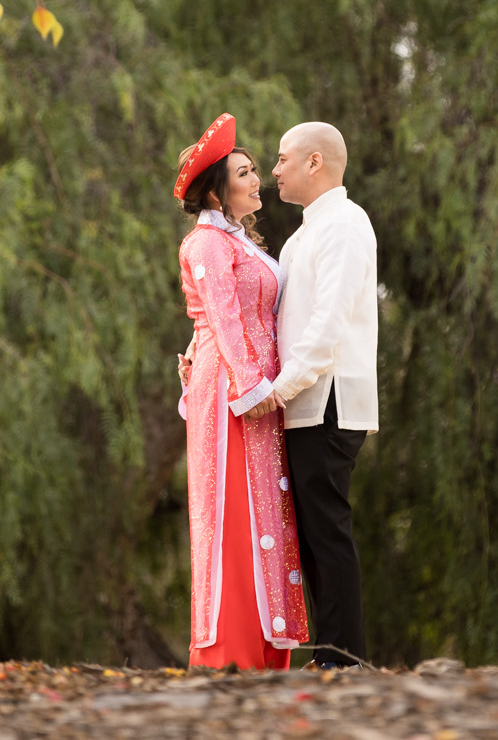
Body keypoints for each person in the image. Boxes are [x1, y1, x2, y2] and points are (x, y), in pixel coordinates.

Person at [173, 112, 309, 670]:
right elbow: (224, 322)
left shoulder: (240, 242)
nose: (258, 181)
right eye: (246, 172)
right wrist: (253, 388)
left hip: (252, 389)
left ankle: (263, 648)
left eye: (256, 170)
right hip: (234, 393)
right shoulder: (206, 243)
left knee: (263, 508)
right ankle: (229, 650)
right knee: (234, 510)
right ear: (218, 189)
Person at [268, 121, 378, 669]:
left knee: (327, 529)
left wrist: (279, 389)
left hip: (328, 399)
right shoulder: (299, 237)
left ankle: (345, 659)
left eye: (283, 158)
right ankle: (331, 653)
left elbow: (329, 324)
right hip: (301, 404)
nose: (274, 170)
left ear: (315, 162)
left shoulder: (345, 224)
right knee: (311, 532)